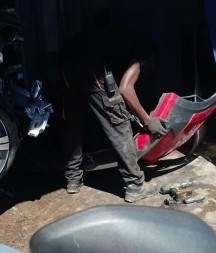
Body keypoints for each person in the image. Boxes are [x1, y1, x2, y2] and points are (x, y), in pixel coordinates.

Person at [60, 22, 169, 202]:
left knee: (75, 123)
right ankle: (135, 185)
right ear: (153, 60)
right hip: (90, 64)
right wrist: (148, 121)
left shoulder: (120, 42)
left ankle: (73, 180)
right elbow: (125, 89)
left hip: (68, 62)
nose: (145, 74)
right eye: (149, 71)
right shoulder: (144, 53)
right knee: (119, 123)